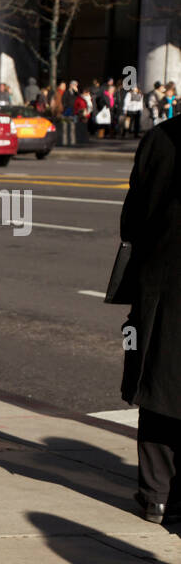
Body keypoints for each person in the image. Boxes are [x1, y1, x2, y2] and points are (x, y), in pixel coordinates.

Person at [119, 114, 181, 523]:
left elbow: (131, 221)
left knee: (158, 384)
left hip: (163, 281)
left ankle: (157, 495)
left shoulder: (159, 138)